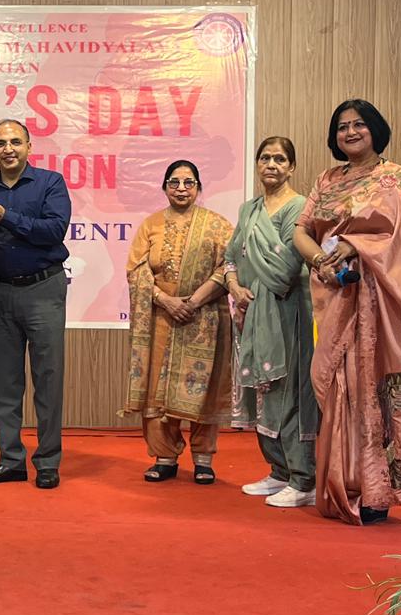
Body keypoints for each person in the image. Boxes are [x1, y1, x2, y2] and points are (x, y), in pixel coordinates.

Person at [293, 99, 401, 525]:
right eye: (342, 126)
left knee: (374, 390)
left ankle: (376, 491)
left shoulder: (397, 179)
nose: (350, 132)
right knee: (335, 385)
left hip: (383, 301)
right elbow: (302, 230)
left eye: (359, 124)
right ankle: (344, 481)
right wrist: (320, 261)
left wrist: (355, 244)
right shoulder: (327, 179)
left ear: (375, 129)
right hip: (337, 295)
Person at [0, 119, 71, 490]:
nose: (8, 149)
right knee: (4, 382)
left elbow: (54, 231)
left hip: (44, 289)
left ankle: (47, 462)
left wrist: (6, 217)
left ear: (29, 146)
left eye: (15, 142)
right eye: (0, 143)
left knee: (48, 379)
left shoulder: (50, 183)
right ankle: (11, 460)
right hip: (0, 293)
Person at [124, 160, 234, 484]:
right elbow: (137, 271)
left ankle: (203, 459)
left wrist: (194, 301)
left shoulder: (218, 226)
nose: (182, 188)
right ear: (164, 187)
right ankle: (165, 457)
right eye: (174, 182)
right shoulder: (151, 225)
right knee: (157, 388)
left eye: (189, 182)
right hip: (161, 318)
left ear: (199, 187)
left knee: (204, 387)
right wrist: (166, 301)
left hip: (206, 317)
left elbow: (229, 267)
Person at [225, 137, 319, 508]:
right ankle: (279, 470)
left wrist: (253, 288)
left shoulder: (300, 207)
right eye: (265, 158)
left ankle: (303, 478)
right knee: (263, 391)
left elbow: (284, 271)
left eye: (280, 159)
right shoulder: (249, 209)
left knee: (290, 390)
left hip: (288, 312)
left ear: (291, 167)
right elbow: (231, 256)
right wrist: (235, 287)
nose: (271, 165)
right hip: (251, 313)